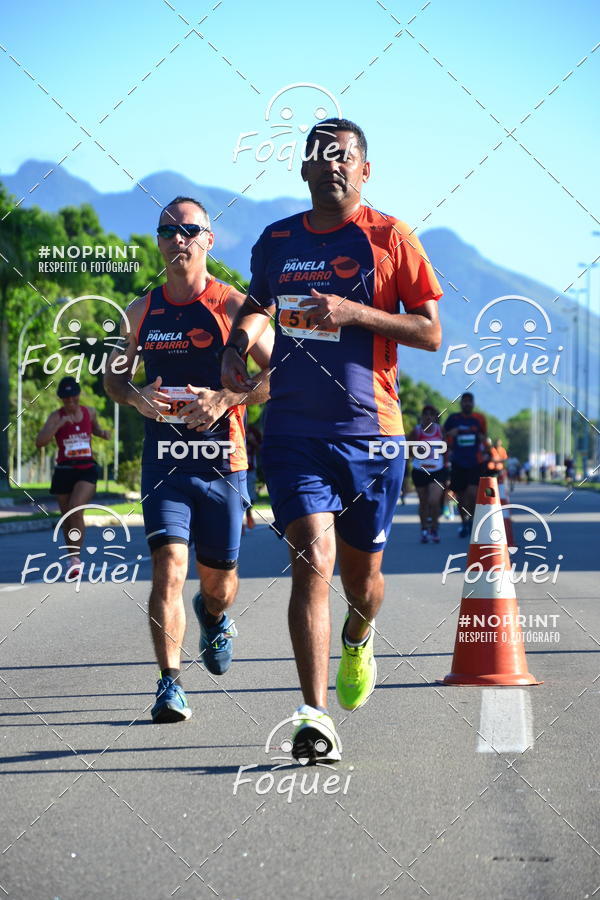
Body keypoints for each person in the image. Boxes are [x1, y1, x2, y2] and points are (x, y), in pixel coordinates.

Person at [222, 118, 442, 762]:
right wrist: (237, 346)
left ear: (364, 170)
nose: (331, 165)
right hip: (292, 432)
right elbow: (255, 305)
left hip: (371, 436)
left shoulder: (391, 238)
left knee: (364, 582)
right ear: (303, 169)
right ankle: (313, 716)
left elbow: (429, 332)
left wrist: (351, 313)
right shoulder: (277, 240)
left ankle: (359, 633)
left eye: (343, 156)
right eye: (318, 155)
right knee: (311, 565)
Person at [105, 196, 273, 723]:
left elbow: (279, 375)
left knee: (218, 583)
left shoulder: (233, 307)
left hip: (224, 461)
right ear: (159, 241)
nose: (178, 240)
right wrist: (135, 397)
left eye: (189, 231)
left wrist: (226, 399)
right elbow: (111, 378)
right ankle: (169, 683)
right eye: (168, 232)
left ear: (208, 239)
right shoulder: (140, 310)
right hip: (164, 462)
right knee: (168, 568)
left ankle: (214, 616)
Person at [36, 376, 110, 574]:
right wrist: (58, 425)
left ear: (78, 395)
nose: (70, 402)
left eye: (73, 397)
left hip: (86, 468)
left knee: (76, 510)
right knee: (67, 518)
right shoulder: (55, 416)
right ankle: (72, 558)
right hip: (64, 470)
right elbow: (40, 441)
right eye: (66, 399)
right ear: (61, 399)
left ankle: (76, 558)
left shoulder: (90, 412)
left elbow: (93, 428)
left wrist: (102, 433)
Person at [444, 392, 487, 537]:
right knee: (461, 497)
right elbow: (443, 434)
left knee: (473, 494)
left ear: (473, 403)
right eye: (465, 401)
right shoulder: (453, 419)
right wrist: (451, 434)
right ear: (461, 403)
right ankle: (464, 523)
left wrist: (481, 438)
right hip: (458, 462)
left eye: (470, 401)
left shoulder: (479, 419)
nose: (467, 404)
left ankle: (474, 521)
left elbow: (484, 437)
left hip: (475, 462)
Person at [407, 405, 447, 543]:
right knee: (423, 502)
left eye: (431, 414)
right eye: (426, 414)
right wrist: (417, 451)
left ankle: (434, 528)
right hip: (420, 470)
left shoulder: (440, 430)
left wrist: (447, 465)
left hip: (437, 470)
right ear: (422, 417)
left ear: (436, 417)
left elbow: (447, 448)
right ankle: (424, 530)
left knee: (434, 501)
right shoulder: (416, 431)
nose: (428, 417)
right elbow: (408, 451)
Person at [243, 419, 262, 531]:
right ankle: (240, 523)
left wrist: (251, 440)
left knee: (249, 495)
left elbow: (261, 447)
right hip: (233, 468)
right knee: (236, 495)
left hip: (250, 468)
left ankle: (249, 515)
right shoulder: (230, 426)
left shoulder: (252, 431)